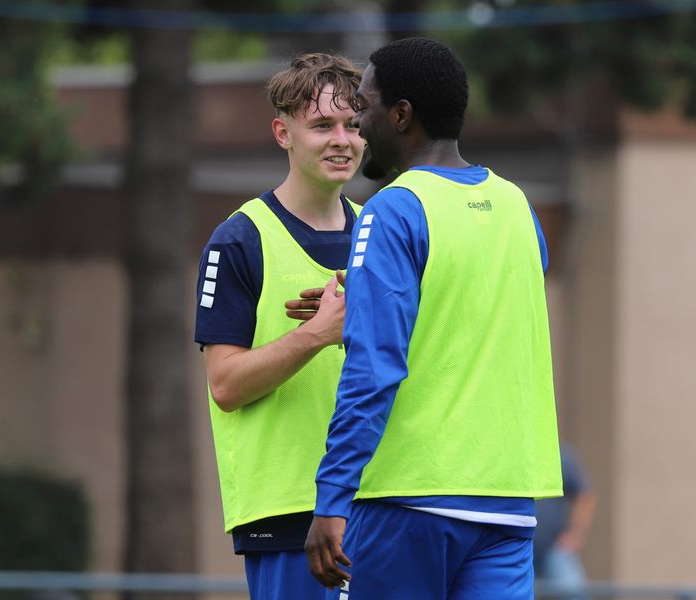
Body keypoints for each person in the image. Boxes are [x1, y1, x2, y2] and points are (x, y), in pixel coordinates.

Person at [303, 37, 563, 599]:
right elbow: (478, 306)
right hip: (507, 500)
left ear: (401, 115)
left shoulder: (394, 208)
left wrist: (332, 498)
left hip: (408, 498)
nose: (357, 122)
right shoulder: (518, 206)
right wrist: (371, 289)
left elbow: (373, 367)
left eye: (364, 105)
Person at [193, 53, 364, 600]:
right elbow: (225, 384)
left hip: (380, 502)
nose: (343, 140)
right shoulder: (239, 239)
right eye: (323, 125)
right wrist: (317, 333)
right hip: (290, 514)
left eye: (353, 125)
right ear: (282, 133)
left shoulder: (380, 232)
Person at [534, 445, 597, 590]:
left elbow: (585, 496)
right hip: (521, 545)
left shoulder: (559, 456)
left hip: (555, 547)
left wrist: (575, 534)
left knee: (573, 591)